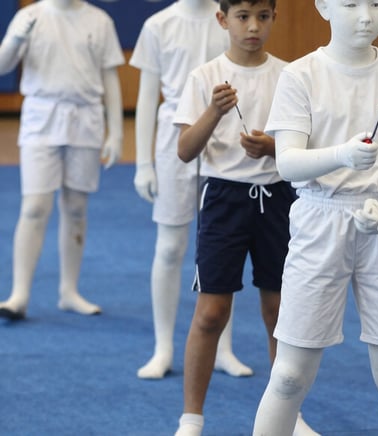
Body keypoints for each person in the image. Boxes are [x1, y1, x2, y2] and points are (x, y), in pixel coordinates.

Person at [251, 0, 378, 434]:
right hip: (320, 219)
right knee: (291, 373)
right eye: (351, 4)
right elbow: (287, 163)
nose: (367, 16)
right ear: (324, 7)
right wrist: (342, 156)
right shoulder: (301, 75)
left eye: (376, 3)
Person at [171, 1, 317, 435]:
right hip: (223, 200)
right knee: (211, 313)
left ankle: (289, 418)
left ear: (275, 17)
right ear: (223, 20)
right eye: (242, 17)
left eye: (263, 16)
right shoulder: (204, 77)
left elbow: (306, 147)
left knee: (280, 310)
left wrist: (273, 148)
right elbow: (184, 150)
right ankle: (191, 420)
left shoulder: (292, 75)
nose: (253, 27)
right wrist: (213, 112)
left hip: (280, 198)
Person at [130, 0, 253, 380]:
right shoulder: (159, 25)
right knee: (169, 246)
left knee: (224, 246)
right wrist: (143, 163)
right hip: (175, 140)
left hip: (227, 139)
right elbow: (148, 97)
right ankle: (163, 346)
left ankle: (223, 347)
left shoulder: (231, 19)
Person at [0, 0, 124, 320]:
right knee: (34, 207)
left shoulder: (99, 20)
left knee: (76, 207)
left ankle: (69, 291)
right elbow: (3, 66)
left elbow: (110, 77)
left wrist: (117, 132)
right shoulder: (29, 16)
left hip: (86, 119)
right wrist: (15, 40)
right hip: (41, 118)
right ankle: (19, 294)